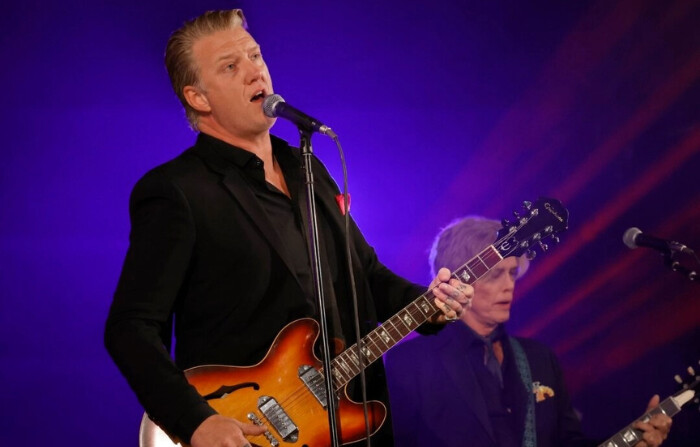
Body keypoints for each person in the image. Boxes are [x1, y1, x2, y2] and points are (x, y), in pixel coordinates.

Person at [104, 8, 473, 447]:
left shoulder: (308, 168)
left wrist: (431, 303)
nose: (253, 71)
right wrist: (195, 421)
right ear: (198, 98)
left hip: (350, 429)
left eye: (255, 56)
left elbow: (366, 280)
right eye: (230, 66)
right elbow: (130, 327)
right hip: (251, 430)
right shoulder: (177, 191)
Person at [384, 216, 673, 447]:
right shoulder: (408, 364)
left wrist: (635, 440)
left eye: (512, 273)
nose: (509, 285)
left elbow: (567, 441)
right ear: (456, 279)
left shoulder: (538, 357)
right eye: (495, 274)